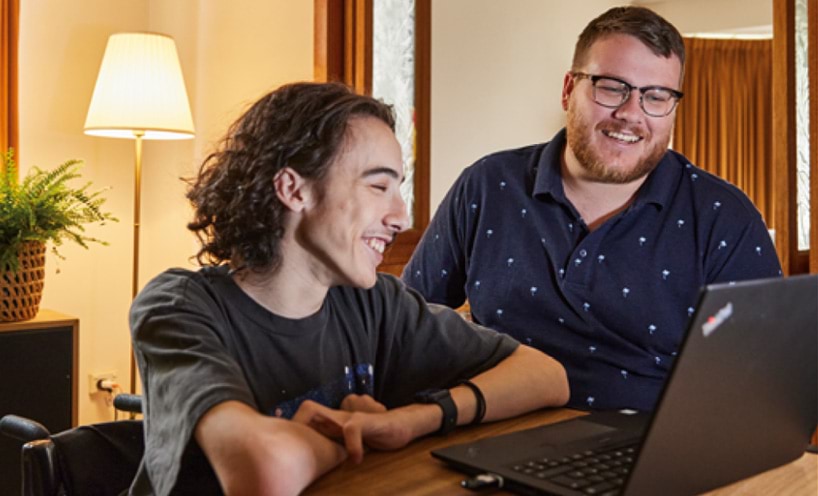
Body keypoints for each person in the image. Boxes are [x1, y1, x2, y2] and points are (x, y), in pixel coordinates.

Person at [127, 82, 569, 495]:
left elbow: (547, 377)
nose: (399, 216)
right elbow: (266, 469)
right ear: (293, 189)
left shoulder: (374, 302)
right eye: (378, 186)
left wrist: (414, 420)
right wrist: (351, 435)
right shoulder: (178, 306)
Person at [402, 6, 781, 413]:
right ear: (568, 89)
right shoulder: (487, 185)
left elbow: (764, 386)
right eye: (611, 87)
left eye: (655, 96)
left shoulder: (725, 217)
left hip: (651, 454)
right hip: (490, 434)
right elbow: (405, 328)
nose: (631, 114)